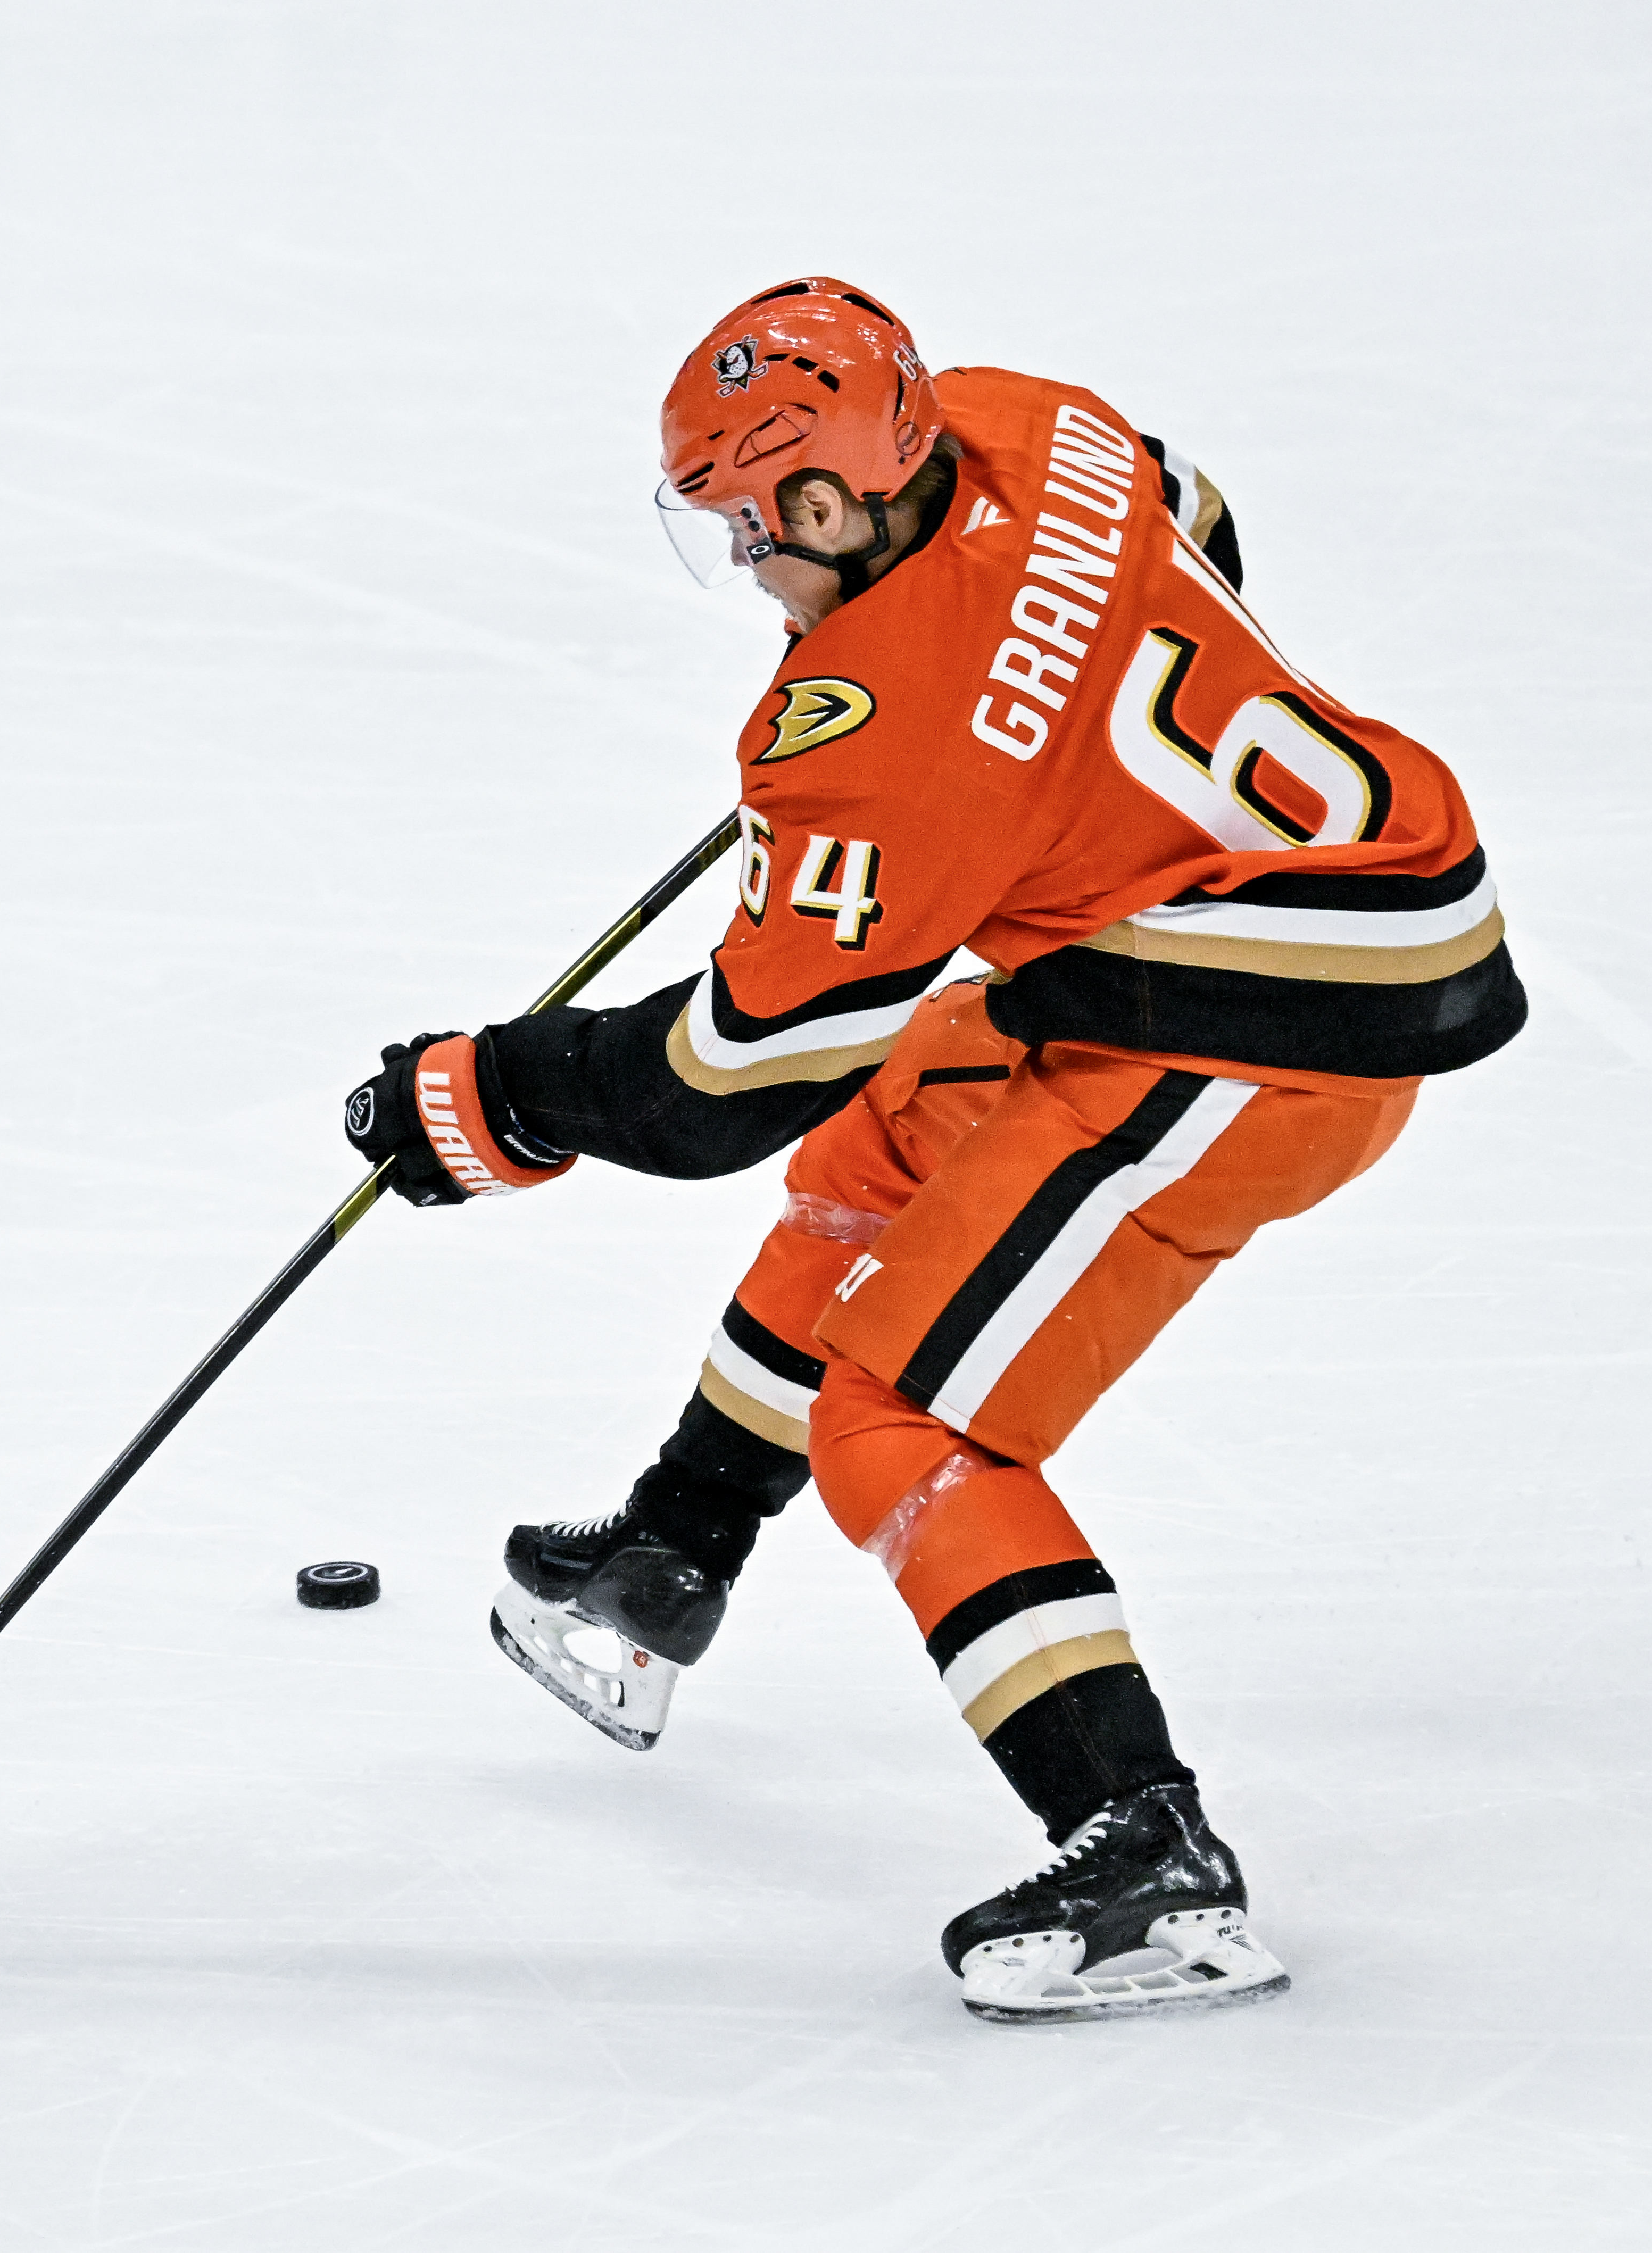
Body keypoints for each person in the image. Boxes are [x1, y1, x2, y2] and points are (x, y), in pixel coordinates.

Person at [342, 277, 1522, 2023]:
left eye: (754, 532)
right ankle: (674, 1549)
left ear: (827, 503)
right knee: (896, 1122)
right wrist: (1010, 745)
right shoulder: (1011, 412)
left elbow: (728, 1079)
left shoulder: (877, 738)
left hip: (1269, 1029)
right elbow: (1197, 520)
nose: (751, 570)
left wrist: (496, 1097)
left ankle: (1145, 1848)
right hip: (1304, 909)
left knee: (902, 1416)